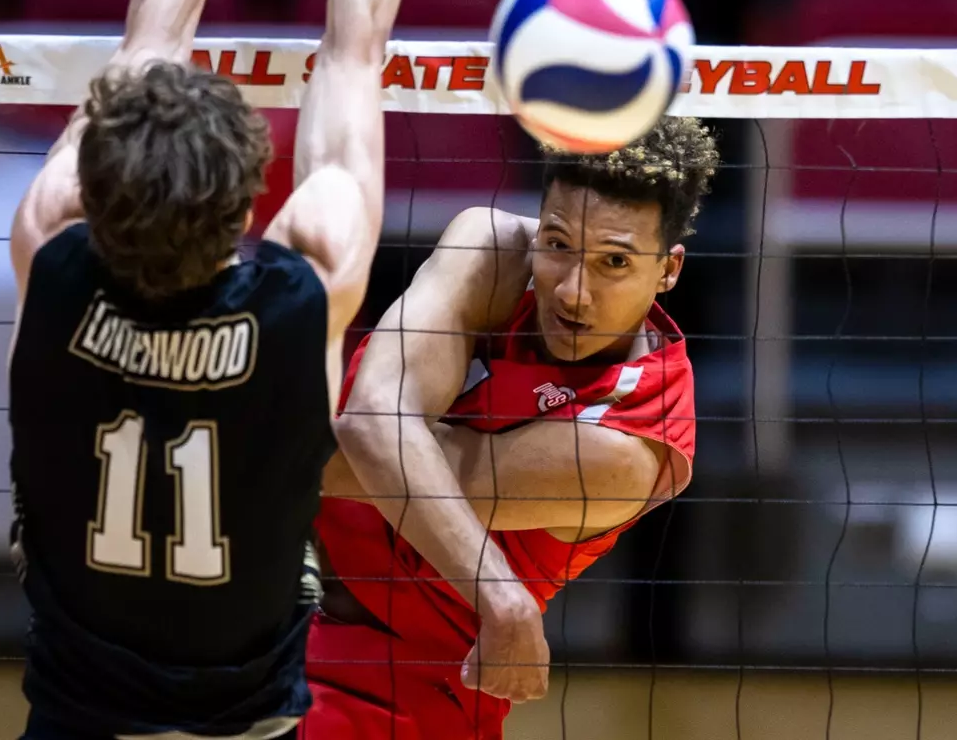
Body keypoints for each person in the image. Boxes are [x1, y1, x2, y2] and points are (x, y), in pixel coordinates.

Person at [5, 0, 488, 740]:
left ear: (101, 186)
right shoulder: (305, 279)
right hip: (248, 724)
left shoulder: (49, 250)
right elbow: (355, 48)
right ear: (246, 196)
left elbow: (141, 52)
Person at [304, 118, 719, 739]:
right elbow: (369, 427)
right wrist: (504, 595)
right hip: (269, 616)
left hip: (405, 692)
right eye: (557, 245)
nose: (574, 292)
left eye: (613, 262)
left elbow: (337, 457)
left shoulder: (624, 447)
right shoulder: (489, 249)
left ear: (668, 269)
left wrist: (405, 422)